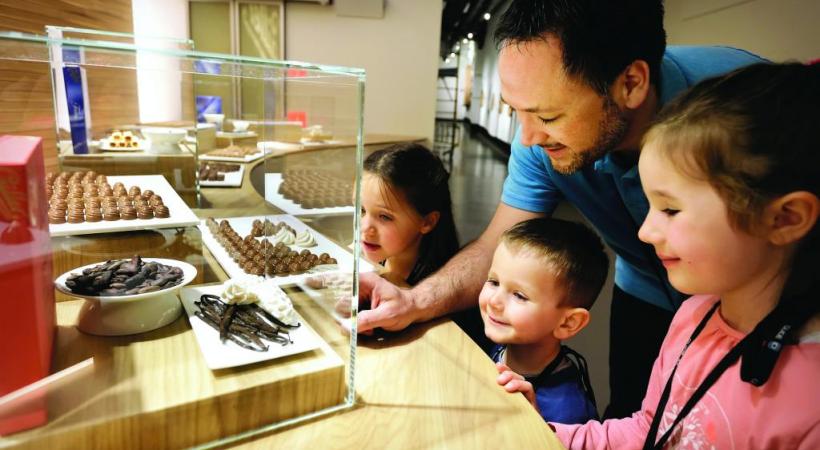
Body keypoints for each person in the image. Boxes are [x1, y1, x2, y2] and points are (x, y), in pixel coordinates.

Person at [357, 0, 765, 418]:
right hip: (644, 284)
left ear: (630, 83)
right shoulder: (538, 142)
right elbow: (497, 243)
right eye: (515, 111)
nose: (528, 138)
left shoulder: (749, 104)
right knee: (634, 409)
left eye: (548, 116)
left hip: (755, 301)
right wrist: (413, 301)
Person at [555, 62, 820, 448]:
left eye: (670, 209)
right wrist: (541, 435)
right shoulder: (694, 315)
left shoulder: (809, 398)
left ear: (784, 218)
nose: (645, 232)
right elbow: (651, 430)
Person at [482, 217, 608, 424]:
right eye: (494, 282)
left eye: (519, 295)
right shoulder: (500, 347)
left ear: (568, 323)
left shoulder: (570, 413)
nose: (494, 301)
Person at [360, 142, 459, 286]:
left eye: (385, 217)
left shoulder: (431, 290)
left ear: (427, 222)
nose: (365, 227)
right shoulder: (379, 252)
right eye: (362, 210)